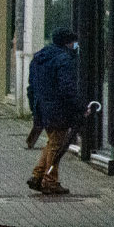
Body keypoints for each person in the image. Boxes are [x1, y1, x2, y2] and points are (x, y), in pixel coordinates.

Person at [26, 28, 85, 196]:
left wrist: (33, 107)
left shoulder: (39, 58)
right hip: (58, 109)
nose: (76, 45)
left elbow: (31, 86)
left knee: (52, 142)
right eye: (74, 42)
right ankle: (49, 180)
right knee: (57, 145)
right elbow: (67, 89)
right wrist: (79, 107)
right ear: (67, 43)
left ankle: (38, 175)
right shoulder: (64, 60)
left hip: (41, 107)